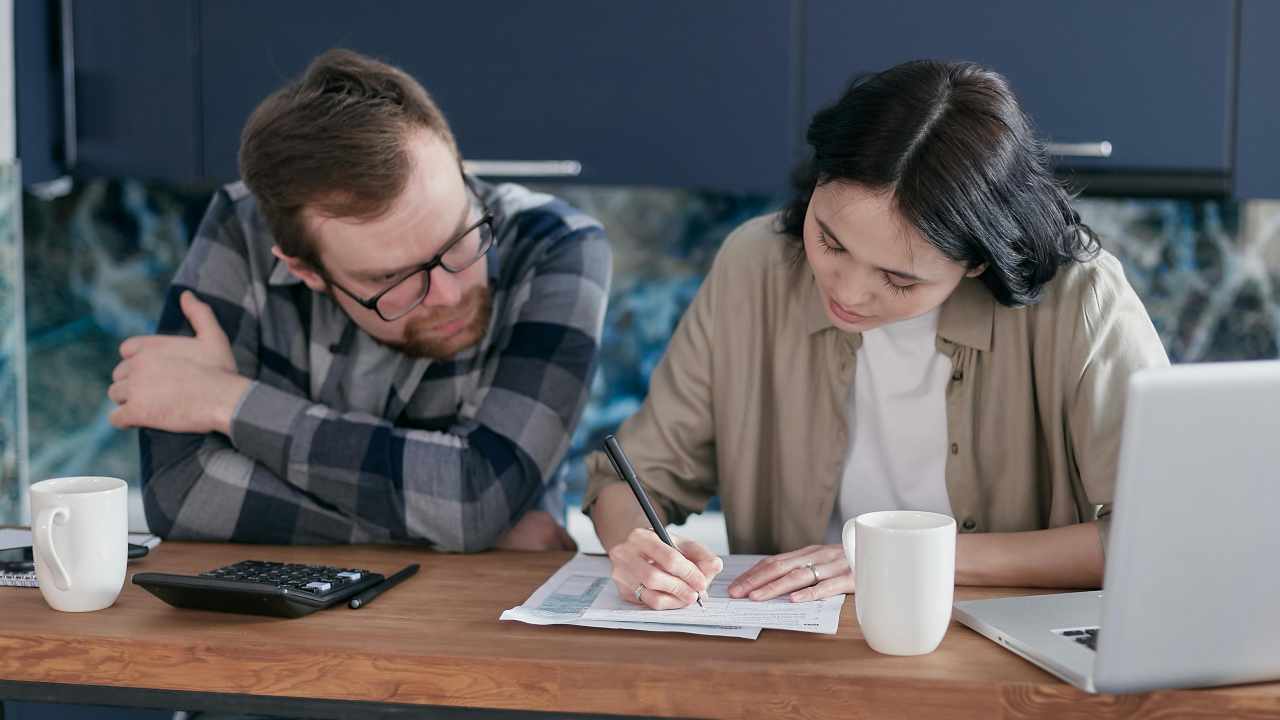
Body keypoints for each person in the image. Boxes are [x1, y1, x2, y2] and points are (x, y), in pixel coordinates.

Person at [585, 60, 1169, 609]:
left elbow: (1162, 537)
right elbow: (634, 476)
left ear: (976, 263)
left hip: (1004, 671)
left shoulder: (1081, 302)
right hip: (794, 652)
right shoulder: (755, 266)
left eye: (897, 278)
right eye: (831, 241)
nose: (848, 290)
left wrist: (909, 560)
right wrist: (636, 549)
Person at [108, 49, 612, 552]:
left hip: (480, 618)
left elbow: (477, 496)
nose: (448, 293)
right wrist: (453, 532)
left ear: (460, 169)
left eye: (458, 240)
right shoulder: (243, 231)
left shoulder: (557, 245)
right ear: (305, 270)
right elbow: (184, 494)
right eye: (394, 278)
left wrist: (229, 401)